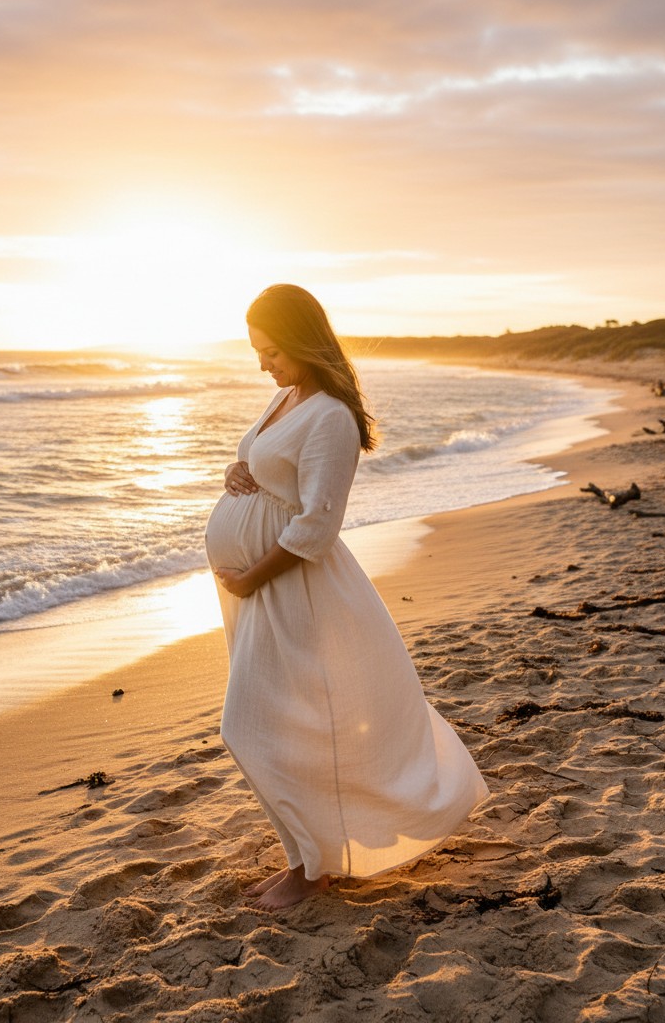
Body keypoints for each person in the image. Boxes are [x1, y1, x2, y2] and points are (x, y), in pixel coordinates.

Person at [205, 284, 489, 911]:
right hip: (262, 594)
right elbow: (275, 474)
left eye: (271, 351)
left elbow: (316, 526)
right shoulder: (287, 397)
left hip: (293, 588)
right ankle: (306, 860)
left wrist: (252, 576)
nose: (262, 364)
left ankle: (313, 870)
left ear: (303, 343)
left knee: (260, 725)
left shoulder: (330, 414)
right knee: (279, 722)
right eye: (256, 351)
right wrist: (241, 473)